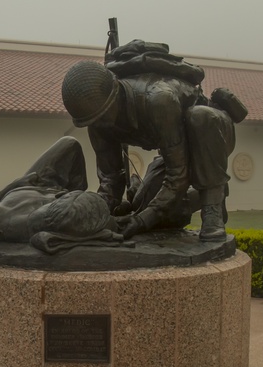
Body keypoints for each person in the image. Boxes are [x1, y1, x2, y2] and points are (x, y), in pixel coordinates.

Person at [60, 58, 243, 242]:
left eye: (103, 115)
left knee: (200, 117)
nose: (101, 125)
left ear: (117, 94)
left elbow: (177, 175)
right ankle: (200, 196)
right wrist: (100, 211)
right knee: (145, 206)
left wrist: (141, 221)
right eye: (93, 121)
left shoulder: (159, 100)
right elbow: (110, 178)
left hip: (212, 137)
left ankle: (213, 201)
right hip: (176, 150)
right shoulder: (97, 121)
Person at [0, 136, 126, 252]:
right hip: (47, 190)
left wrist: (16, 183)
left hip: (32, 184)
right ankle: (111, 186)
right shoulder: (47, 221)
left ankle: (98, 192)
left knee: (70, 145)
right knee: (70, 145)